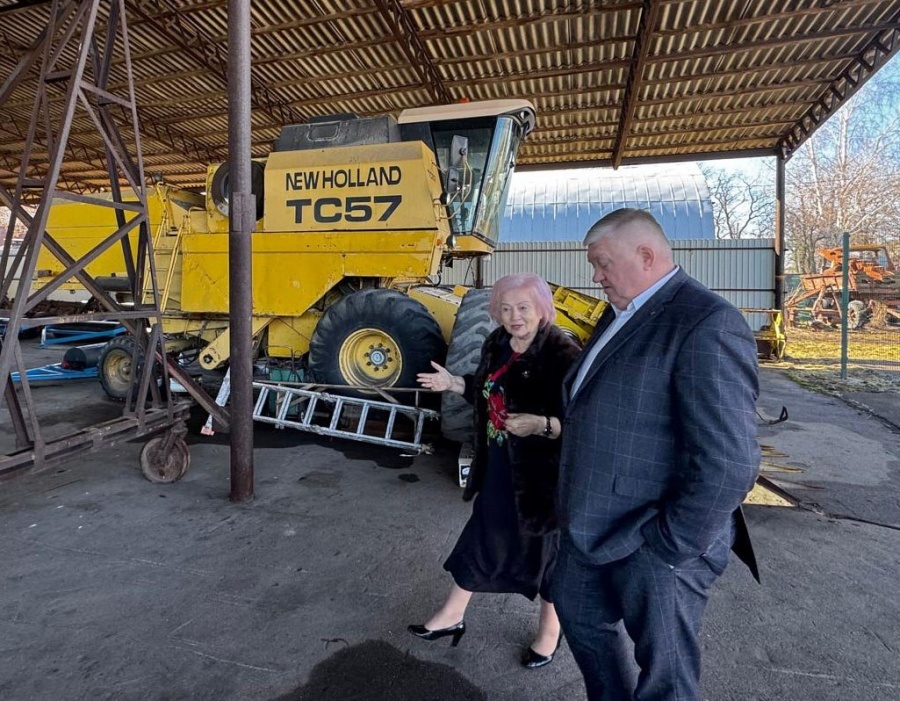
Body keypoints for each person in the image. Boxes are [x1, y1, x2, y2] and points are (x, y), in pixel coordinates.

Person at [553, 208, 761, 700]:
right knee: (582, 624)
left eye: (602, 263)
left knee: (666, 677)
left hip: (654, 540)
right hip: (590, 527)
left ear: (646, 255)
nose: (595, 276)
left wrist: (669, 546)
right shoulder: (620, 312)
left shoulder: (706, 322)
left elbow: (730, 462)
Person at [409, 273, 581, 668]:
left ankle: (550, 632)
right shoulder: (498, 343)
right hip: (499, 464)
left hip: (541, 478)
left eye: (523, 307)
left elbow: (583, 421)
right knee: (484, 534)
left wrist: (541, 425)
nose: (514, 316)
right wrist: (453, 383)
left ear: (542, 309)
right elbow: (488, 392)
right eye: (505, 308)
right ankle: (452, 615)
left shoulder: (562, 354)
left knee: (546, 551)